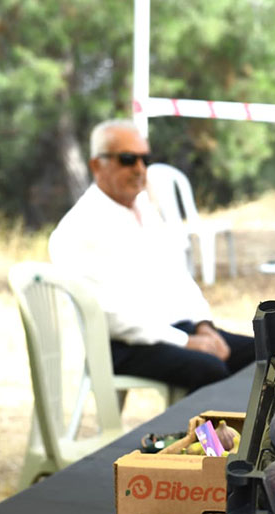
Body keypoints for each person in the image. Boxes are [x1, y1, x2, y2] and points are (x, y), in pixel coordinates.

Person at [49, 119, 254, 392]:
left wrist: (204, 326)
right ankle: (207, 423)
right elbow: (112, 318)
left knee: (264, 353)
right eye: (127, 159)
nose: (139, 168)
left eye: (145, 159)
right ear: (97, 165)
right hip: (123, 345)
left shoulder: (144, 209)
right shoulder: (78, 228)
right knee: (210, 367)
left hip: (173, 330)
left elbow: (179, 276)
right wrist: (187, 342)